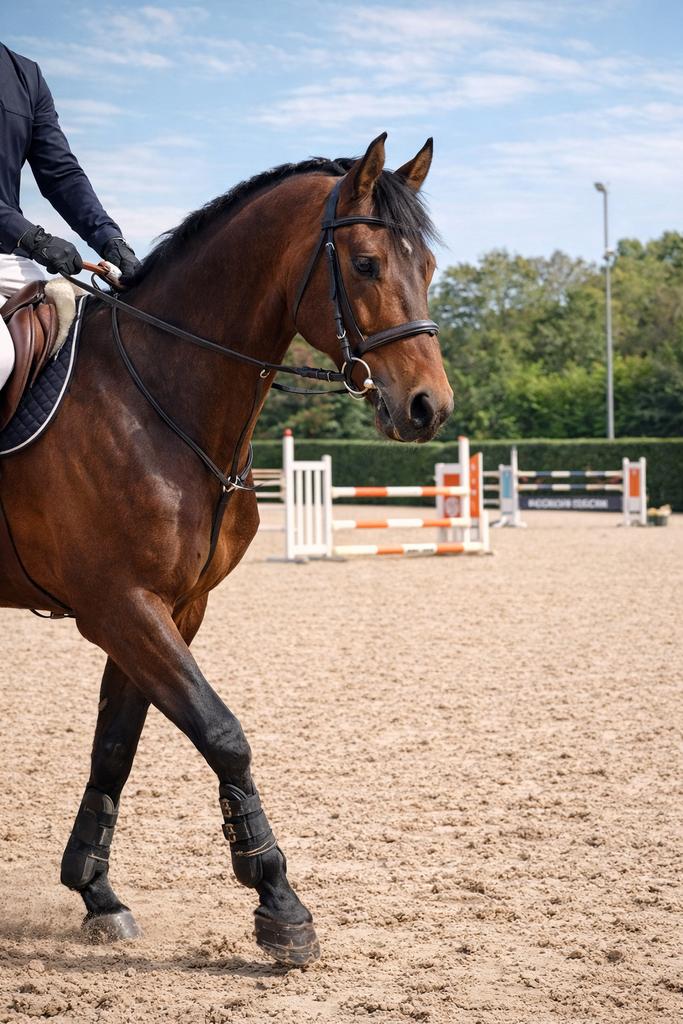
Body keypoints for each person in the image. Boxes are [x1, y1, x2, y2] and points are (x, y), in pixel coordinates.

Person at [0, 42, 140, 392]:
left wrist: (111, 240)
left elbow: (61, 174)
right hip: (18, 245)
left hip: (9, 261)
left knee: (105, 335)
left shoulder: (25, 74)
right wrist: (32, 237)